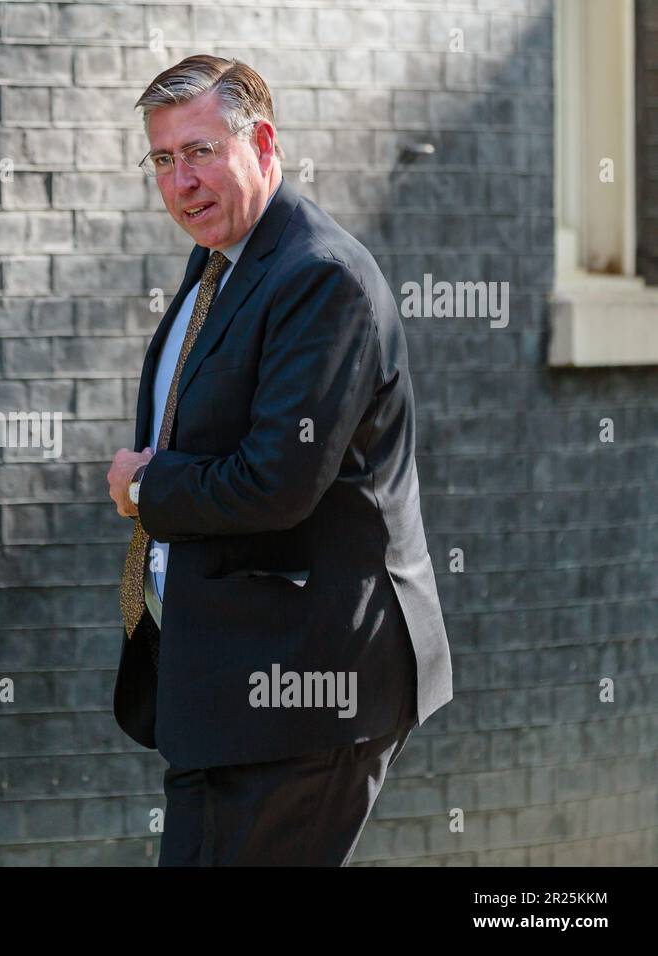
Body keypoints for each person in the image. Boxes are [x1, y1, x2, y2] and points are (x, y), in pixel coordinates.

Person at [106, 55, 453, 866]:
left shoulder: (318, 278)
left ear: (261, 143)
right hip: (226, 688)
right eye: (162, 159)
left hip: (303, 690)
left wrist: (145, 487)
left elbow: (275, 480)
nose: (180, 182)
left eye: (199, 152)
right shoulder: (220, 265)